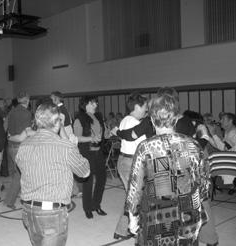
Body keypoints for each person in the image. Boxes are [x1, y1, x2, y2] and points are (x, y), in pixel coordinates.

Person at [125, 93, 209, 246]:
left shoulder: (146, 148)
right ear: (176, 118)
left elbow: (135, 188)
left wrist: (133, 217)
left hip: (156, 217)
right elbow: (204, 185)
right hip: (188, 215)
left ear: (151, 119)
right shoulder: (194, 145)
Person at [16, 102, 90, 246]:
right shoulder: (65, 147)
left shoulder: (24, 145)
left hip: (28, 211)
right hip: (51, 214)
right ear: (57, 123)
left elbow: (20, 166)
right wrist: (73, 147)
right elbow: (84, 172)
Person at [114, 92, 147, 238]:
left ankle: (121, 230)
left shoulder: (125, 120)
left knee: (131, 197)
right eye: (144, 107)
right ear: (137, 107)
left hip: (123, 160)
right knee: (135, 198)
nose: (146, 110)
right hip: (131, 162)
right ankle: (131, 229)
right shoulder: (134, 123)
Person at [73, 96, 108, 219]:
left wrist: (107, 133)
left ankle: (96, 205)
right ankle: (87, 208)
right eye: (93, 103)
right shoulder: (79, 119)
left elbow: (103, 133)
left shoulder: (98, 117)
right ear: (86, 104)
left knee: (102, 179)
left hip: (99, 152)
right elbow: (76, 138)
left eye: (96, 103)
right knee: (88, 181)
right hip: (87, 153)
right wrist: (91, 138)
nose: (96, 105)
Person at [4, 92, 34, 209]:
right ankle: (26, 199)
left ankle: (10, 200)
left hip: (11, 146)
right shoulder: (26, 113)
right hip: (21, 147)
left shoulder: (11, 111)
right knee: (24, 174)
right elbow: (27, 132)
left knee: (18, 174)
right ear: (27, 100)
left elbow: (5, 127)